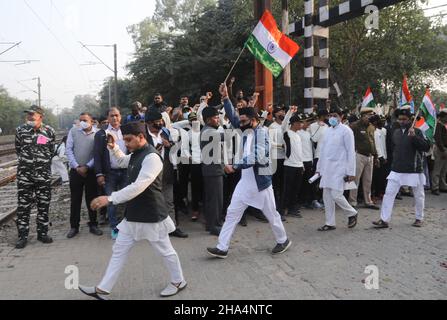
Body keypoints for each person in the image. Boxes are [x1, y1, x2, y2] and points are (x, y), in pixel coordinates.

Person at [78, 122, 187, 299]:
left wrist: (110, 198)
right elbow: (122, 161)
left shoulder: (151, 157)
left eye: (128, 140)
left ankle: (178, 281)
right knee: (119, 250)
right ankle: (103, 289)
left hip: (152, 214)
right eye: (125, 140)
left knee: (165, 251)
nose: (126, 144)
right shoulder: (137, 153)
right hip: (134, 213)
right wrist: (114, 148)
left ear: (141, 137)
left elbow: (139, 186)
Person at [206, 84, 291, 258]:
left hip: (261, 183)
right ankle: (222, 247)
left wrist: (235, 166)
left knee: (272, 215)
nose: (241, 124)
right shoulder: (246, 129)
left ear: (255, 120)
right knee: (232, 213)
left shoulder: (262, 135)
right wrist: (225, 98)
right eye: (241, 121)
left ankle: (283, 240)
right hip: (245, 182)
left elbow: (256, 157)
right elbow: (233, 117)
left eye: (244, 121)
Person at [373, 106, 431, 228]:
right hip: (397, 169)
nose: (401, 121)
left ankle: (419, 218)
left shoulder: (418, 131)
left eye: (404, 119)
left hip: (414, 169)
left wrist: (414, 137)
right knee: (389, 193)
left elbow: (426, 147)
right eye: (400, 119)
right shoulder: (396, 132)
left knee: (418, 195)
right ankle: (384, 220)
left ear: (410, 119)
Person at [15, 105, 56, 249]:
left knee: (43, 205)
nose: (30, 116)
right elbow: (18, 149)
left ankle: (42, 233)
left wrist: (41, 164)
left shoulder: (49, 131)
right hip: (25, 176)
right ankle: (22, 236)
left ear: (40, 116)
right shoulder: (20, 131)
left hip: (43, 176)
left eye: (33, 114)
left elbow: (51, 151)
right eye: (28, 114)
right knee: (23, 207)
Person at [145, 110, 188, 238]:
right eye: (157, 122)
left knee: (169, 201)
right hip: (150, 174)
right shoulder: (142, 135)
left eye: (160, 121)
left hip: (166, 171)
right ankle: (153, 230)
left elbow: (175, 148)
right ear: (148, 123)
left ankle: (172, 227)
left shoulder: (165, 132)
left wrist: (169, 145)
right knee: (152, 202)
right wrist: (155, 149)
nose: (160, 123)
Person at [316, 106, 358, 231]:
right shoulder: (327, 131)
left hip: (340, 167)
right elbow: (322, 151)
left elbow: (351, 152)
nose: (332, 118)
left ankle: (352, 213)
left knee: (336, 195)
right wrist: (319, 168)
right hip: (327, 168)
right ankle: (330, 223)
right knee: (327, 196)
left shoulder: (346, 131)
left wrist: (351, 171)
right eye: (330, 115)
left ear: (341, 117)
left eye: (335, 115)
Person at [66, 112, 103, 238]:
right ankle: (74, 227)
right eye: (80, 120)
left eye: (85, 120)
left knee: (91, 198)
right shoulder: (73, 131)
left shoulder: (98, 133)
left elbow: (97, 153)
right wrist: (76, 166)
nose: (82, 122)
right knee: (75, 199)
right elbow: (69, 149)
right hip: (76, 171)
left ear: (92, 121)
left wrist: (87, 166)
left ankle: (93, 224)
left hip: (91, 171)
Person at [94, 108, 128, 239]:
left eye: (117, 115)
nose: (114, 118)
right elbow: (97, 155)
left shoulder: (126, 131)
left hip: (126, 171)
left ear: (120, 116)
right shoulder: (102, 134)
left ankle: (126, 226)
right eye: (111, 116)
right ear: (107, 118)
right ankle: (114, 227)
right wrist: (99, 174)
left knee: (126, 199)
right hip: (110, 173)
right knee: (111, 200)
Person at [349, 107, 380, 209]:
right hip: (359, 155)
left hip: (369, 156)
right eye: (368, 115)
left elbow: (373, 142)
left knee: (368, 180)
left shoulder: (371, 127)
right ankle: (352, 201)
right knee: (355, 179)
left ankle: (368, 201)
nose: (370, 117)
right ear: (363, 116)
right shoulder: (355, 126)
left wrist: (376, 156)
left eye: (371, 115)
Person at [200, 107, 225, 236]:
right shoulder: (209, 132)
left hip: (212, 170)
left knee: (213, 199)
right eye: (216, 118)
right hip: (213, 170)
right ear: (208, 120)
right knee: (215, 200)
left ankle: (212, 223)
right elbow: (228, 135)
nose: (218, 120)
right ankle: (214, 225)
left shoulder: (208, 130)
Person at [281, 113, 305, 218]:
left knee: (296, 189)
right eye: (300, 123)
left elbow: (299, 152)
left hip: (299, 166)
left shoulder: (298, 136)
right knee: (287, 189)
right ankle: (283, 209)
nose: (301, 125)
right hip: (289, 165)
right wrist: (290, 112)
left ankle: (292, 209)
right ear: (294, 123)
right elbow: (284, 124)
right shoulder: (287, 133)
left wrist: (302, 165)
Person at [431, 109, 447, 195]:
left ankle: (442, 186)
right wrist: (443, 150)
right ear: (442, 117)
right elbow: (438, 138)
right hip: (441, 149)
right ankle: (435, 187)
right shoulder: (439, 125)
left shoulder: (443, 125)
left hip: (444, 149)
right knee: (437, 169)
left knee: (444, 169)